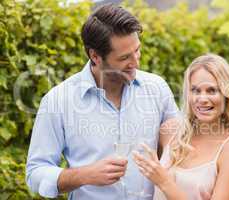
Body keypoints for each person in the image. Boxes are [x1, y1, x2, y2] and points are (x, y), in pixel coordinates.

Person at [25, 4, 178, 199]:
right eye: (124, 58)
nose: (136, 63)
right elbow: (35, 172)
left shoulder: (157, 88)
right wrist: (84, 175)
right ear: (95, 56)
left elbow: (179, 147)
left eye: (137, 50)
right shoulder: (58, 101)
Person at [133, 54, 229, 200]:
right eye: (195, 90)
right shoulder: (170, 130)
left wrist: (164, 182)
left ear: (227, 95)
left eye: (212, 90)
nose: (202, 99)